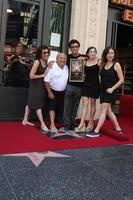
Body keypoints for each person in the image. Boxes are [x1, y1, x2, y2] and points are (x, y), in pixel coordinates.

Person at [86, 47, 124, 137]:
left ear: (114, 54)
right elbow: (92, 60)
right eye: (108, 53)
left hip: (111, 91)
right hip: (103, 90)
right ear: (105, 54)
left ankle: (96, 131)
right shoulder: (103, 63)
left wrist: (112, 88)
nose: (110, 55)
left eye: (112, 53)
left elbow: (121, 80)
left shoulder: (116, 64)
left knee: (103, 110)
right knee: (108, 111)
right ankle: (118, 128)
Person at [22, 45, 50, 132]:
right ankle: (42, 124)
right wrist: (42, 75)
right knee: (38, 104)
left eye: (47, 52)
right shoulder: (37, 62)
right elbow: (31, 76)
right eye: (44, 52)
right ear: (40, 53)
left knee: (30, 102)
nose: (46, 54)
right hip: (35, 85)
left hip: (41, 85)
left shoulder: (45, 61)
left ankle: (25, 120)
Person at [75, 46, 100, 133]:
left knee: (92, 103)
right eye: (91, 52)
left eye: (94, 52)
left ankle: (90, 122)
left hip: (95, 84)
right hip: (86, 84)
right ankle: (82, 123)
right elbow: (78, 59)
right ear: (88, 53)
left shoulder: (99, 61)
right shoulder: (85, 61)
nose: (93, 53)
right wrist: (82, 57)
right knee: (84, 102)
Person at [64, 39, 86, 131]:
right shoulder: (67, 57)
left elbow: (94, 59)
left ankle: (72, 124)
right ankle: (66, 125)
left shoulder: (84, 57)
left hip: (80, 86)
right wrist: (50, 63)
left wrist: (85, 59)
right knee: (67, 106)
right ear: (70, 48)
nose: (74, 48)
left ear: (79, 47)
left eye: (76, 46)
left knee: (75, 107)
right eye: (72, 47)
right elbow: (58, 61)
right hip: (69, 85)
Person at [44, 53, 68, 132]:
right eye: (60, 58)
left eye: (64, 58)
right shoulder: (52, 67)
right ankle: (52, 125)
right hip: (53, 91)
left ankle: (61, 125)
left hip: (63, 92)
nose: (63, 60)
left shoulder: (66, 67)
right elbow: (46, 81)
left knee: (61, 109)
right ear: (56, 59)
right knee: (52, 108)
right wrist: (49, 92)